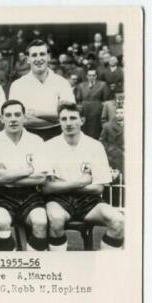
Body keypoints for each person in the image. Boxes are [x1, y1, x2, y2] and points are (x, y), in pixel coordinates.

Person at [43, 102, 124, 250]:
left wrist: (62, 184)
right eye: (64, 119)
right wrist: (81, 182)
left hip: (89, 201)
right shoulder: (48, 146)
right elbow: (47, 188)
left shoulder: (95, 146)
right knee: (56, 219)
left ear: (82, 120)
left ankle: (107, 267)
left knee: (118, 220)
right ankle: (58, 267)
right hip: (58, 200)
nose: (68, 123)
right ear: (59, 121)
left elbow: (98, 188)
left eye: (73, 118)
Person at [0, 100, 50, 251]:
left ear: (24, 118)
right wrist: (26, 170)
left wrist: (7, 176)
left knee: (41, 222)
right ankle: (9, 263)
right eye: (8, 115)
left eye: (17, 115)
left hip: (30, 195)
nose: (13, 119)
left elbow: (41, 178)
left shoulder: (36, 141)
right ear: (2, 119)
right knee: (2, 221)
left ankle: (35, 267)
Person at [9, 39, 75, 140]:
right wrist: (58, 117)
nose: (39, 59)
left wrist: (36, 113)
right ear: (28, 59)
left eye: (42, 54)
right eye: (34, 55)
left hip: (58, 137)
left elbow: (70, 115)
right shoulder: (17, 85)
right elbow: (19, 120)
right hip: (28, 137)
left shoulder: (62, 82)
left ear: (48, 57)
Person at [76, 69, 111, 139]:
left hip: (96, 110)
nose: (91, 77)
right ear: (87, 76)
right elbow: (78, 98)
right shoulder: (81, 85)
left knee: (95, 128)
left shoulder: (102, 85)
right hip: (84, 110)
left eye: (93, 75)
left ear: (96, 76)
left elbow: (106, 98)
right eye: (89, 75)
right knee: (85, 128)